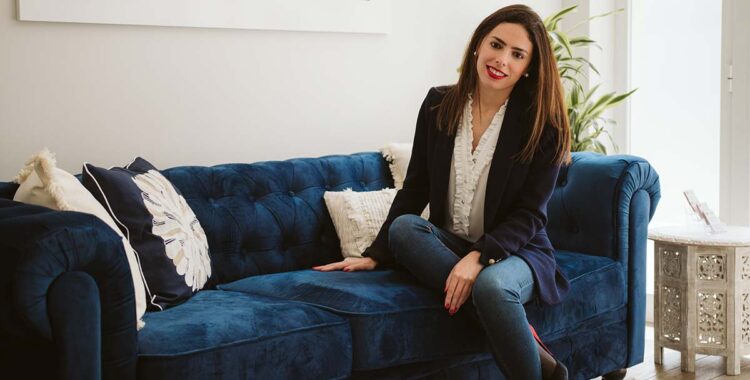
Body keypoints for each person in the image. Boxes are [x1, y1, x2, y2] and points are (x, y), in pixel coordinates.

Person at [314, 4, 571, 379]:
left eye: (517, 55)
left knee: (493, 288)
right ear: (478, 45)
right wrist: (375, 254)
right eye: (496, 45)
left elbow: (531, 215)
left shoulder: (543, 125)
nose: (501, 60)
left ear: (529, 66)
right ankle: (534, 352)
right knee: (405, 229)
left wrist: (480, 257)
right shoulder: (438, 104)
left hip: (518, 252)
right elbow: (415, 186)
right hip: (449, 244)